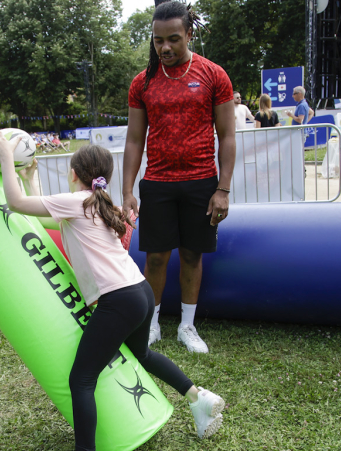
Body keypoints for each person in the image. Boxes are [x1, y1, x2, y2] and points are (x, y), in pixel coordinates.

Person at [0, 134, 226, 451]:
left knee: (81, 379)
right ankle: (199, 398)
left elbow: (17, 203)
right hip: (140, 292)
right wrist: (29, 176)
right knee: (142, 354)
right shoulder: (95, 203)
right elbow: (43, 215)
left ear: (75, 173)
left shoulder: (77, 201)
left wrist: (7, 157)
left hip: (119, 299)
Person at [122, 1, 236, 354]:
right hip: (157, 183)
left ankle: (187, 327)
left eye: (173, 39)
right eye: (158, 41)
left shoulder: (214, 75)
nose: (165, 48)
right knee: (155, 258)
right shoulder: (143, 82)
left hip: (202, 182)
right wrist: (127, 189)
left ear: (189, 34)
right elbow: (134, 139)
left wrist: (223, 190)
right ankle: (152, 324)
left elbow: (227, 136)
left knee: (191, 255)